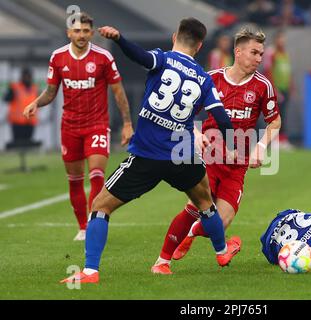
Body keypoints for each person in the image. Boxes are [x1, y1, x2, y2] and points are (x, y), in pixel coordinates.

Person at [60, 17, 241, 284]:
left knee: (100, 206)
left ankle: (89, 272)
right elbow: (223, 120)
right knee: (205, 204)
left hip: (146, 154)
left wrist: (119, 39)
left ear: (174, 36)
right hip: (182, 154)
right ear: (200, 45)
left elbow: (140, 56)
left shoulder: (163, 59)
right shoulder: (203, 79)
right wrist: (235, 148)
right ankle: (222, 252)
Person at [151, 26, 282, 275]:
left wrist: (261, 148)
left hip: (238, 165)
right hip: (208, 159)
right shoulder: (210, 78)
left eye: (261, 54)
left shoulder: (263, 86)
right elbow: (182, 111)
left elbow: (274, 121)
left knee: (220, 223)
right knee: (193, 207)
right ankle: (161, 262)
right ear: (238, 51)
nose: (258, 58)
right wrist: (197, 133)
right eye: (254, 52)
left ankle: (191, 233)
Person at [23, 12, 133, 241]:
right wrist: (36, 102)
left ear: (91, 33)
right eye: (77, 31)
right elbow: (51, 92)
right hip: (70, 127)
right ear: (69, 33)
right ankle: (82, 227)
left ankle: (94, 224)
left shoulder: (103, 58)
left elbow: (118, 91)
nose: (81, 35)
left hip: (97, 125)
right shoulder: (58, 57)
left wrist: (127, 123)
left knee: (96, 175)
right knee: (74, 180)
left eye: (85, 31)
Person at [263, 29, 296, 150]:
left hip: (284, 88)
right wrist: (273, 89)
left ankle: (282, 140)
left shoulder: (285, 54)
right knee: (275, 116)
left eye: (283, 39)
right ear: (275, 40)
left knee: (283, 115)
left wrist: (291, 86)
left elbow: (289, 72)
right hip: (275, 89)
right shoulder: (271, 53)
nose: (282, 41)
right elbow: (268, 71)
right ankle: (274, 141)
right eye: (280, 39)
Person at [4, 67, 39, 143]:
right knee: (18, 144)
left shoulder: (35, 88)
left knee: (28, 144)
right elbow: (6, 98)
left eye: (28, 76)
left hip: (30, 121)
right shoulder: (14, 88)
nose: (27, 78)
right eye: (25, 76)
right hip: (17, 122)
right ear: (21, 77)